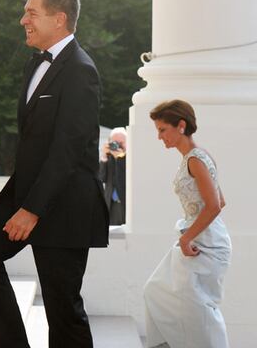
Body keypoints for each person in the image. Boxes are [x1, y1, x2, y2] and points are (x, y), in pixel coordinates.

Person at [0, 0, 109, 347]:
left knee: (63, 308)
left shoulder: (81, 70)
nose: (23, 19)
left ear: (59, 19)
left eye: (31, 13)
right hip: (26, 191)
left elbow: (68, 150)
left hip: (65, 203)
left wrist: (32, 210)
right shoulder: (35, 62)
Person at [144, 99, 231, 348]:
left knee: (198, 310)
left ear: (181, 126)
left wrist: (186, 237)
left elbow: (215, 205)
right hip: (198, 237)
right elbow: (220, 200)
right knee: (156, 291)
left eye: (162, 129)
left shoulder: (196, 159)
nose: (159, 137)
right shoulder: (196, 157)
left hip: (205, 243)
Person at [99, 127, 127, 225]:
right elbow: (101, 178)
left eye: (121, 143)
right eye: (115, 143)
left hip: (125, 203)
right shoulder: (108, 157)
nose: (117, 146)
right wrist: (104, 157)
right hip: (111, 204)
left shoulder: (131, 158)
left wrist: (121, 158)